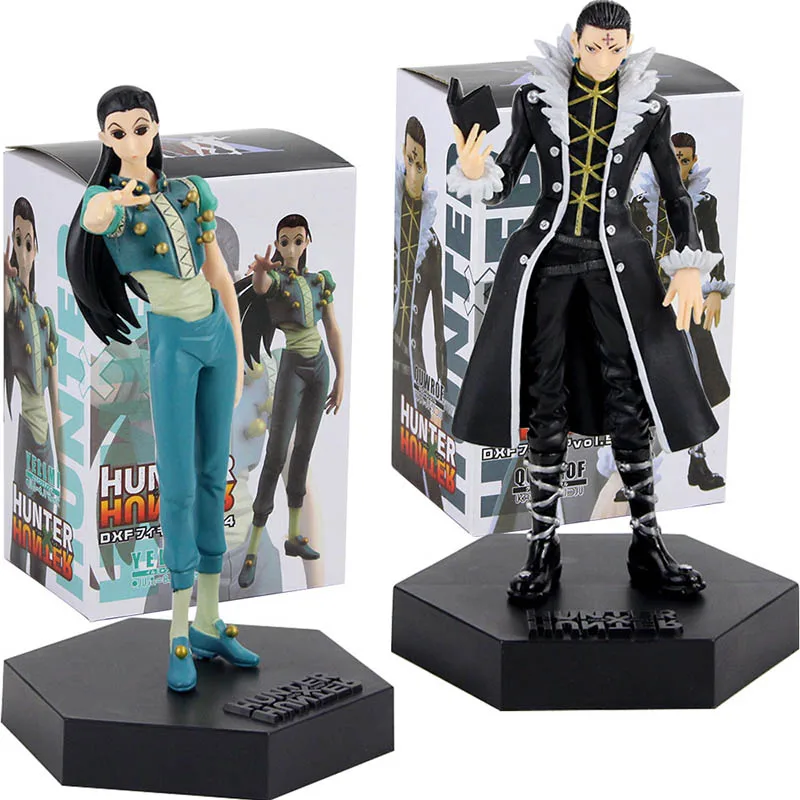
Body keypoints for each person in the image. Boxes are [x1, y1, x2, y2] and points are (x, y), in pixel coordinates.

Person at [447, 1, 720, 603]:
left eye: (615, 48)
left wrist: (689, 265)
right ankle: (542, 545)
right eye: (593, 46)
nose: (603, 58)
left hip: (616, 266)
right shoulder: (535, 99)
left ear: (629, 45)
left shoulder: (650, 108)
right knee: (544, 398)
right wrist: (474, 170)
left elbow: (676, 195)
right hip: (547, 261)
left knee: (631, 400)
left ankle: (647, 541)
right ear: (575, 41)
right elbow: (505, 175)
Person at [66, 85, 258, 692]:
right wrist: (114, 198)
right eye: (118, 131)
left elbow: (218, 272)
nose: (132, 138)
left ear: (155, 127)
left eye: (141, 126)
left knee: (213, 476)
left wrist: (236, 349)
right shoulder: (107, 200)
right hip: (171, 343)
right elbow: (94, 218)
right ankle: (177, 629)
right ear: (104, 138)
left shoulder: (189, 190)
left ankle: (209, 619)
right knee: (175, 484)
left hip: (216, 336)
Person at [235, 214, 344, 587]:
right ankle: (252, 549)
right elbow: (262, 286)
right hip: (293, 368)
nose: (292, 247)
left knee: (303, 452)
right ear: (278, 245)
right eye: (285, 241)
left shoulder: (320, 281)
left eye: (298, 240)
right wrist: (261, 272)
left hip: (320, 369)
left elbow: (332, 328)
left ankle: (295, 535)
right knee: (276, 454)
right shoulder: (277, 282)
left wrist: (342, 376)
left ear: (308, 240)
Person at [630, 130, 732, 490]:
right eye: (672, 159)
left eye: (684, 161)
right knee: (641, 379)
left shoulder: (702, 202)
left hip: (688, 297)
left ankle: (698, 460)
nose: (677, 167)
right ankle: (638, 466)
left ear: (693, 162)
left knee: (697, 375)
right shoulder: (639, 202)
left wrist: (716, 289)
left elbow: (713, 245)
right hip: (648, 298)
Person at [4, 197, 64, 584]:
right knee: (21, 527)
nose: (23, 250)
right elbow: (6, 299)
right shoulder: (12, 302)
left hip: (47, 442)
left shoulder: (45, 317)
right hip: (26, 431)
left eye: (28, 242)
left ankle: (40, 591)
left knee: (44, 530)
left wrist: (65, 469)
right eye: (17, 240)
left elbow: (56, 404)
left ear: (37, 248)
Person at [392, 116, 447, 507]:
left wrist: (439, 401)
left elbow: (440, 330)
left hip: (413, 366)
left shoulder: (433, 247)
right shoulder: (386, 221)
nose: (414, 170)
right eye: (410, 159)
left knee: (426, 472)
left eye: (421, 164)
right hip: (382, 360)